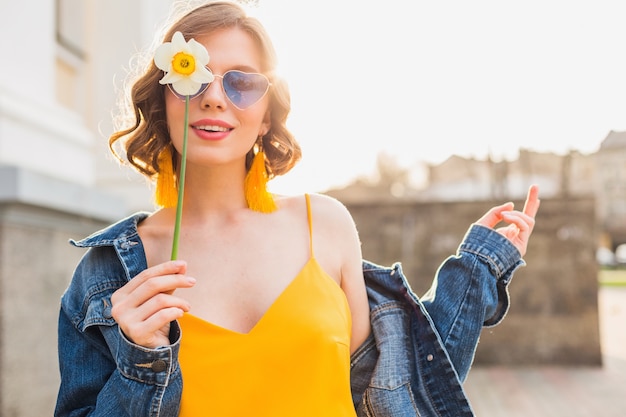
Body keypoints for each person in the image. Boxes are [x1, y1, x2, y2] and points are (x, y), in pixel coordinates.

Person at [54, 1, 540, 416]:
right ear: (164, 99)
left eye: (242, 83)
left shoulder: (324, 225)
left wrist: (477, 268)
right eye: (192, 76)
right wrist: (140, 362)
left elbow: (398, 389)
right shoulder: (106, 277)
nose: (215, 98)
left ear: (266, 117)